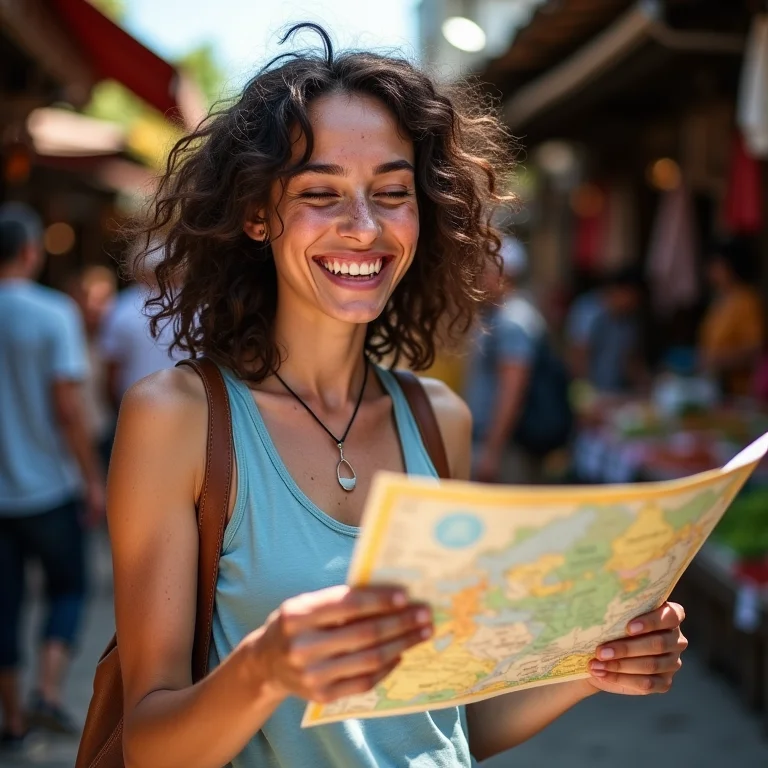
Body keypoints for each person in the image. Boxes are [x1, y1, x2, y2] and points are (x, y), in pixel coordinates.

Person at [106, 25, 688, 768]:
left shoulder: (440, 421)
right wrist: (261, 671)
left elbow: (446, 720)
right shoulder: (178, 419)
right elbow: (149, 744)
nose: (364, 227)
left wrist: (596, 664)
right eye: (321, 193)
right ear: (257, 215)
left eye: (391, 193)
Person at [0, 204, 105, 751]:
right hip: (47, 488)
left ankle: (13, 719)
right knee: (69, 588)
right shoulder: (52, 314)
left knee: (5, 603)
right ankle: (46, 690)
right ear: (30, 252)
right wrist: (92, 478)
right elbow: (68, 409)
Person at [466, 236, 569, 484]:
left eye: (483, 271)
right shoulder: (500, 314)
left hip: (508, 448)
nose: (476, 278)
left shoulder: (512, 321)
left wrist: (492, 451)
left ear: (503, 274)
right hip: (501, 443)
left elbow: (512, 390)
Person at [99, 242, 185, 413]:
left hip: (136, 408)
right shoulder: (196, 307)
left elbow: (111, 372)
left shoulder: (121, 307)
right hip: (187, 406)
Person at [64, 265, 118, 469]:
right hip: (69, 441)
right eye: (89, 297)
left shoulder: (114, 342)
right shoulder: (65, 340)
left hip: (105, 434)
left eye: (104, 299)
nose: (96, 306)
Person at [699, 236, 764, 397]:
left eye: (716, 265)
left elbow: (755, 350)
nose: (711, 271)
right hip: (717, 388)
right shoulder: (719, 300)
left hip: (742, 391)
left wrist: (718, 360)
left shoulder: (746, 301)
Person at [566, 267, 646, 395]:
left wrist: (644, 383)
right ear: (621, 290)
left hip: (615, 395)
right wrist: (586, 397)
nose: (634, 305)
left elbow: (629, 361)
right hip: (590, 396)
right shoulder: (588, 312)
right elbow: (578, 357)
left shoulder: (628, 322)